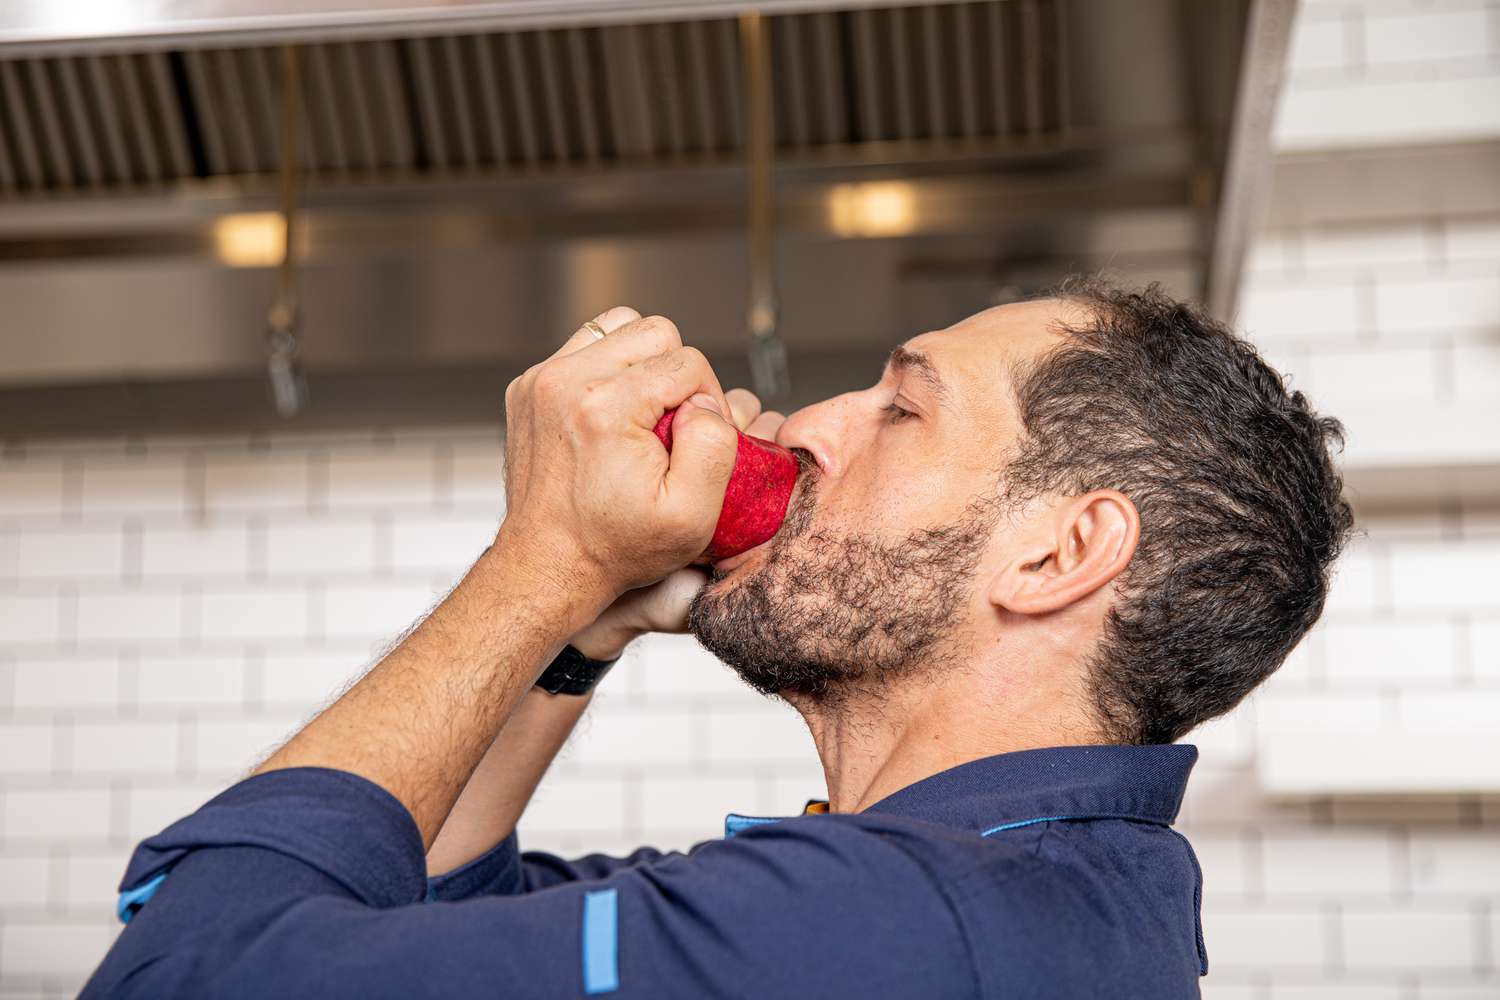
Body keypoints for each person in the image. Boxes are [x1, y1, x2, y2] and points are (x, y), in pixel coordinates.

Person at [82, 278, 1353, 999]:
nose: (806, 424)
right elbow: (418, 902)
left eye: (900, 408)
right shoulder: (1027, 887)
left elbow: (173, 976)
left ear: (1060, 552)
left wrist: (541, 556)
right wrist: (578, 626)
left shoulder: (891, 924)